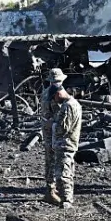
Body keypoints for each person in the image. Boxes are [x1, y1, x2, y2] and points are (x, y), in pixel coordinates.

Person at [51, 86, 82, 209]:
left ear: (58, 94)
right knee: (68, 172)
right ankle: (67, 198)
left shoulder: (68, 106)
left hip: (65, 144)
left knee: (62, 173)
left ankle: (66, 200)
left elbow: (63, 128)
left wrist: (52, 124)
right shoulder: (75, 104)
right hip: (69, 143)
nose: (54, 100)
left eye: (54, 97)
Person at [40, 68, 67, 204]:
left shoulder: (45, 92)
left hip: (48, 129)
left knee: (50, 158)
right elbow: (60, 114)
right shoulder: (56, 93)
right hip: (54, 130)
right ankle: (51, 190)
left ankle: (51, 188)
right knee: (54, 159)